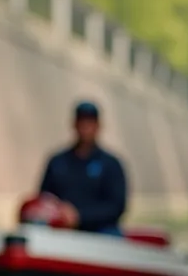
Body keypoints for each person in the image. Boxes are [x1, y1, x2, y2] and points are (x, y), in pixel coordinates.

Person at [37, 100, 128, 235]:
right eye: (82, 122)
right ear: (74, 125)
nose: (85, 128)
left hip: (100, 230)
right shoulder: (58, 162)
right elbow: (44, 197)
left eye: (90, 123)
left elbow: (116, 206)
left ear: (98, 126)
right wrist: (60, 213)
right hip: (62, 229)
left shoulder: (111, 164)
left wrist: (79, 215)